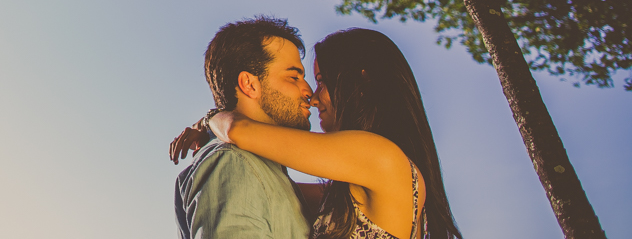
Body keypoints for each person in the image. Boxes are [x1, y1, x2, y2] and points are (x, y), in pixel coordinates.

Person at [172, 28, 461, 239]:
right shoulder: (358, 183)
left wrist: (210, 119)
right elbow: (271, 187)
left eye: (321, 81)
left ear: (359, 83)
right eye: (296, 77)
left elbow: (239, 130)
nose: (312, 95)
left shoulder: (378, 155)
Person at [173, 16, 314, 239]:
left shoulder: (261, 168)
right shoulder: (232, 162)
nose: (309, 91)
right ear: (249, 84)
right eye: (294, 77)